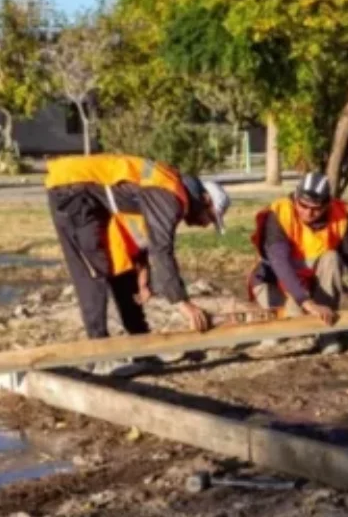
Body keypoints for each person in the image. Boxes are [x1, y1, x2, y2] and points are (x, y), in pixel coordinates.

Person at [45, 154, 230, 363]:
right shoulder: (169, 195)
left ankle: (142, 348)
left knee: (121, 264)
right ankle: (98, 359)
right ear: (204, 200)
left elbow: (141, 235)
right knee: (93, 271)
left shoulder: (168, 192)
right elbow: (162, 250)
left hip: (92, 200)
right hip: (71, 189)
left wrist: (142, 271)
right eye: (210, 217)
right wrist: (182, 303)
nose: (206, 224)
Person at [248, 171, 348, 354]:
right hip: (275, 286)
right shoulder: (279, 215)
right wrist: (307, 303)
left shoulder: (338, 218)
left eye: (316, 208)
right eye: (303, 205)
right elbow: (281, 264)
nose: (309, 213)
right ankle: (284, 323)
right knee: (275, 335)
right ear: (295, 197)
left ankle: (326, 332)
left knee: (332, 257)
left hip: (308, 290)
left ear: (327, 205)